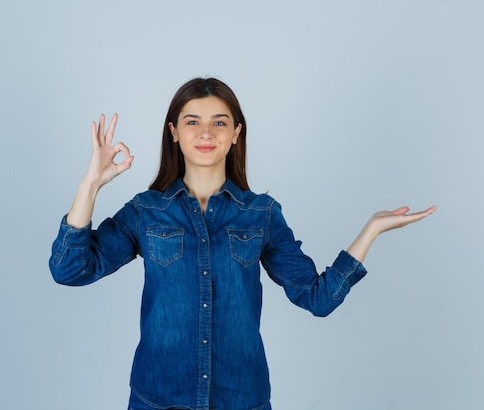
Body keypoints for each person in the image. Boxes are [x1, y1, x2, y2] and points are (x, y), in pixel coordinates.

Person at [49, 77, 436, 410]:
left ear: (236, 133)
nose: (206, 132)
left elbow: (317, 298)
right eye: (192, 121)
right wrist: (91, 185)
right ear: (174, 133)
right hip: (158, 399)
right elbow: (69, 270)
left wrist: (370, 230)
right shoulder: (146, 212)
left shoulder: (261, 214)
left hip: (242, 399)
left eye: (220, 122)